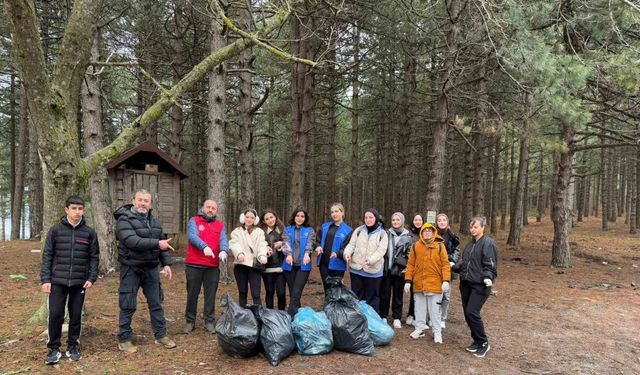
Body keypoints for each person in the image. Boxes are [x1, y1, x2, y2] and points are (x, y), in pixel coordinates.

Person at [115, 189, 176, 353]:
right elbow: (132, 241)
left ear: (150, 204)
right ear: (133, 201)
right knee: (127, 303)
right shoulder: (123, 219)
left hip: (151, 268)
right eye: (140, 200)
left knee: (156, 303)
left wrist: (167, 264)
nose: (143, 203)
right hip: (131, 267)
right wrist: (157, 243)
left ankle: (161, 335)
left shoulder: (155, 222)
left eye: (146, 201)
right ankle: (125, 339)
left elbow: (163, 245)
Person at [40, 195, 99, 364]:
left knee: (75, 316)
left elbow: (94, 257)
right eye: (74, 208)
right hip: (57, 281)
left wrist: (91, 277)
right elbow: (47, 256)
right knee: (56, 315)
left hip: (79, 282)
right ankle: (53, 349)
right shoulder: (55, 231)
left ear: (83, 210)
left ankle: (73, 346)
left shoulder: (89, 233)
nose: (77, 212)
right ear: (66, 210)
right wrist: (46, 279)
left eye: (80, 209)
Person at [451, 216, 498, 358]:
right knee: (467, 313)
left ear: (482, 228)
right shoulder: (470, 245)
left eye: (475, 227)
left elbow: (490, 264)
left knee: (472, 312)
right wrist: (454, 267)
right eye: (471, 227)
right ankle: (477, 341)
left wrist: (488, 277)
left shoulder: (488, 244)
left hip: (480, 285)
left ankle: (484, 343)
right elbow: (467, 265)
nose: (472, 229)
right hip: (466, 284)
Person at [183, 199, 229, 334]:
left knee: (210, 294)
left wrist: (224, 250)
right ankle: (190, 321)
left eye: (213, 208)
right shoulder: (194, 221)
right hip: (194, 264)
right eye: (208, 207)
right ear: (203, 208)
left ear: (216, 211)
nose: (210, 210)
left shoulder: (220, 225)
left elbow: (223, 240)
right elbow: (192, 236)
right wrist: (204, 246)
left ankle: (209, 321)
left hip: (212, 266)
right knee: (192, 293)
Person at [404, 222, 451, 344]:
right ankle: (419, 328)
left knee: (435, 311)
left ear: (433, 232)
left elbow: (445, 264)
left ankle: (437, 332)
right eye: (425, 231)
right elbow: (410, 265)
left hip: (435, 284)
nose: (427, 233)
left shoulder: (440, 246)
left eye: (429, 231)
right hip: (419, 284)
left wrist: (446, 280)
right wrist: (408, 281)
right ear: (421, 233)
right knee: (419, 309)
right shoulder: (416, 246)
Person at [343, 208, 388, 314]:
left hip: (373, 272)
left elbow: (381, 251)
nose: (368, 220)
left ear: (376, 218)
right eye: (366, 217)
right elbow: (351, 245)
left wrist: (370, 260)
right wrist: (347, 253)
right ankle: (358, 320)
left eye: (371, 217)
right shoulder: (358, 230)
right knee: (357, 296)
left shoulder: (382, 234)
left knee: (372, 298)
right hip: (356, 270)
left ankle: (372, 322)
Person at [379, 212, 413, 329]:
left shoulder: (408, 236)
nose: (395, 222)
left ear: (402, 221)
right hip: (387, 270)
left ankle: (397, 317)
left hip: (400, 271)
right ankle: (383, 315)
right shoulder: (386, 234)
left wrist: (407, 267)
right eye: (393, 220)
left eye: (398, 220)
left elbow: (411, 254)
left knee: (398, 295)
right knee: (385, 293)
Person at [229, 209, 268, 307]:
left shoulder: (259, 232)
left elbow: (262, 245)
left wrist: (262, 255)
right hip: (241, 265)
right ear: (243, 217)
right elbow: (234, 244)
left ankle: (258, 316)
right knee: (242, 292)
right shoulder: (237, 231)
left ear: (255, 219)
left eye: (252, 217)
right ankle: (243, 316)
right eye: (247, 217)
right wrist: (239, 253)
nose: (249, 219)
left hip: (254, 266)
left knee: (256, 294)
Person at [282, 207, 315, 317]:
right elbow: (285, 243)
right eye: (297, 216)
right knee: (293, 293)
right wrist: (289, 254)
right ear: (294, 217)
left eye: (302, 216)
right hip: (289, 265)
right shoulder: (287, 230)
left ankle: (291, 316)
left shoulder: (309, 230)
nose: (299, 218)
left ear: (305, 218)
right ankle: (298, 316)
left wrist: (307, 253)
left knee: (296, 292)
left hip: (303, 266)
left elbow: (310, 243)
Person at [314, 203, 352, 292]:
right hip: (323, 263)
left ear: (342, 213)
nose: (334, 214)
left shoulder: (348, 230)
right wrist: (318, 246)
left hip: (338, 265)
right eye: (332, 212)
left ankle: (336, 306)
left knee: (336, 290)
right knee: (327, 288)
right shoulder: (325, 226)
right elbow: (317, 240)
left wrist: (338, 253)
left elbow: (347, 248)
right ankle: (328, 306)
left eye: (336, 211)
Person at [436, 213, 460, 329]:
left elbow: (457, 250)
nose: (441, 222)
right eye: (439, 220)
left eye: (444, 220)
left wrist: (452, 261)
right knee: (435, 294)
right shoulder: (433, 234)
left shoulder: (452, 235)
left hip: (448, 268)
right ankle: (433, 316)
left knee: (446, 295)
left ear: (447, 222)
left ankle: (442, 318)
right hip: (435, 268)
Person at [259, 209, 286, 310]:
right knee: (269, 292)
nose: (270, 220)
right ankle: (270, 315)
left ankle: (282, 314)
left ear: (275, 217)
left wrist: (282, 244)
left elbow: (289, 245)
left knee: (281, 292)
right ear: (263, 221)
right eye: (267, 219)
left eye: (271, 217)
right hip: (267, 267)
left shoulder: (283, 230)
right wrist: (264, 249)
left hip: (281, 267)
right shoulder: (261, 233)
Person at [405, 213, 425, 326]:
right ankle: (411, 314)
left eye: (420, 220)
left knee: (423, 292)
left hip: (424, 268)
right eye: (416, 220)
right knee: (413, 292)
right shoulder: (409, 234)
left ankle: (421, 316)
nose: (418, 222)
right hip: (412, 266)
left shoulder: (426, 232)